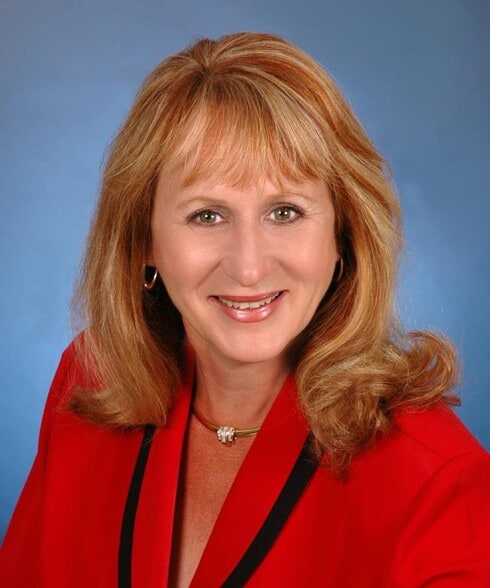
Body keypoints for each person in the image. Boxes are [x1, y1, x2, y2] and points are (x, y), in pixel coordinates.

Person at [1, 32, 489, 588]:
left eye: (285, 212)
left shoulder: (435, 484)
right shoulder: (91, 383)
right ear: (143, 241)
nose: (249, 268)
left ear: (343, 234)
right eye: (207, 216)